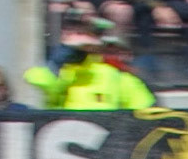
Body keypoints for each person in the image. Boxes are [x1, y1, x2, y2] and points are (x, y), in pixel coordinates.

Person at [26, 12, 156, 109]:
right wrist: (58, 60)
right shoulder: (62, 72)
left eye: (85, 33)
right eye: (75, 32)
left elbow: (145, 109)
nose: (80, 39)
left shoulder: (114, 74)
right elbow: (35, 78)